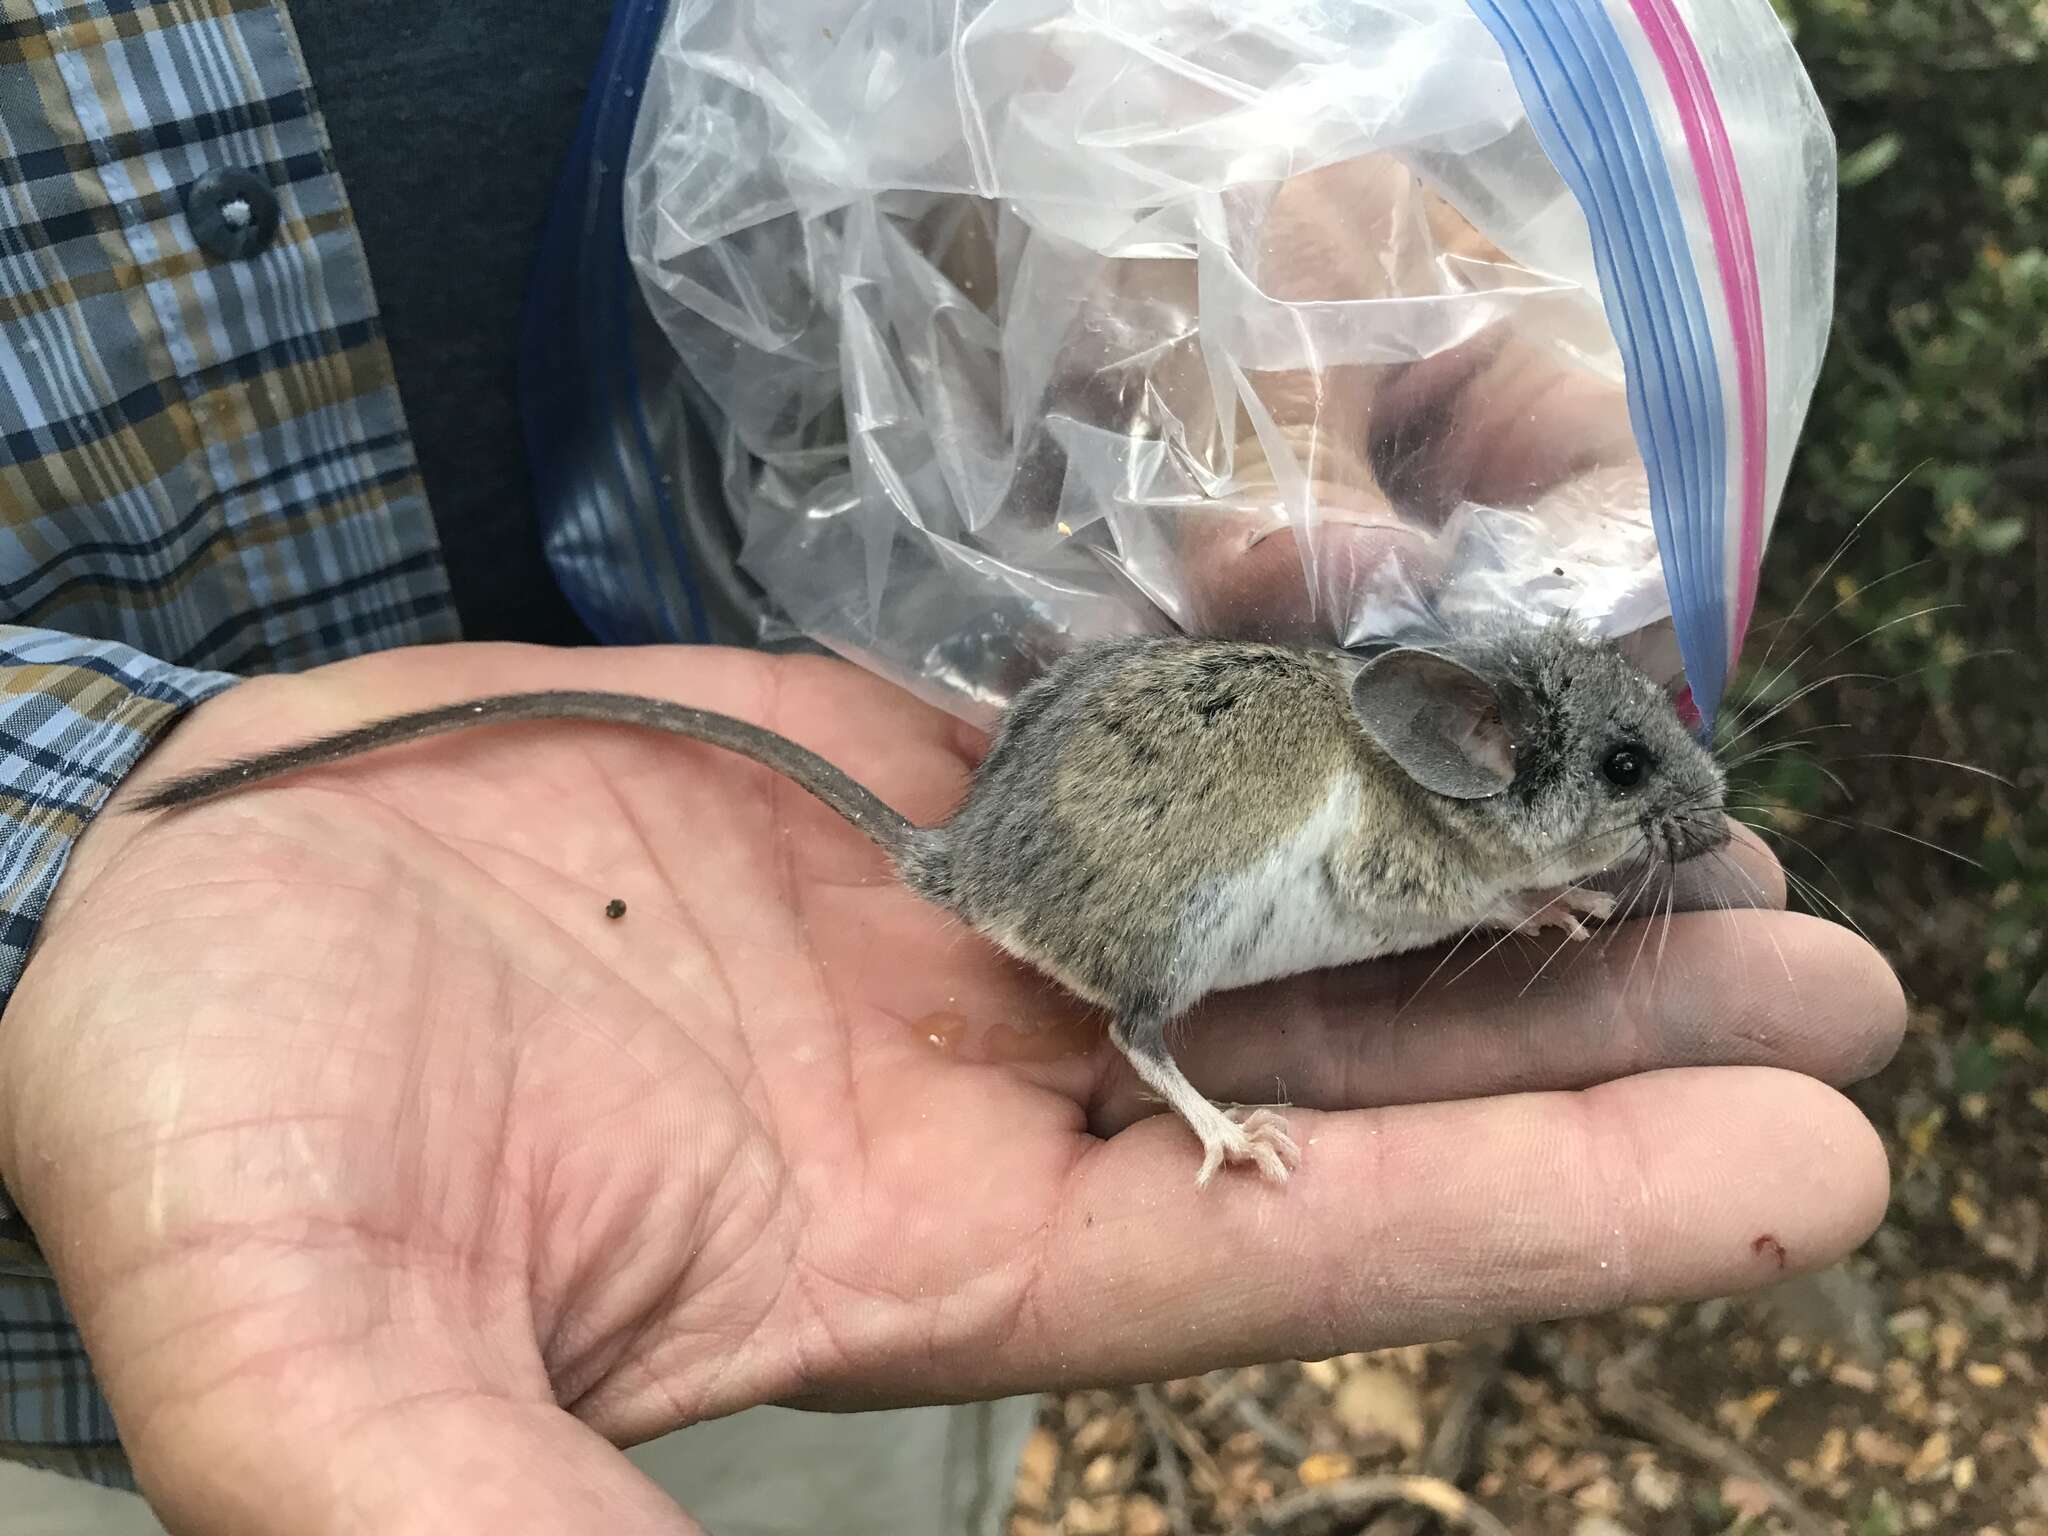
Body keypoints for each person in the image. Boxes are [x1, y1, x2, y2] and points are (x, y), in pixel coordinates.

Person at [0, 3, 1905, 1532]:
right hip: (655, 1073)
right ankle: (1180, 1078)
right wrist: (62, 837)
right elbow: (1417, 873)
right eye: (1626, 783)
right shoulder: (1426, 778)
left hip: (878, 1191)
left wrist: (1105, 95)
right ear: (1471, 745)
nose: (1681, 811)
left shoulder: (1451, 766)